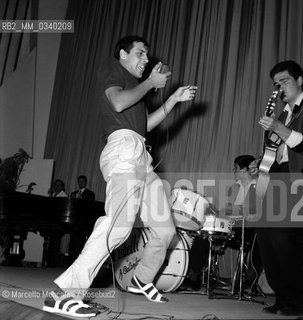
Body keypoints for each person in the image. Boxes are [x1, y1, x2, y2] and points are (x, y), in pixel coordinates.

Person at [43, 35, 197, 317]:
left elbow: (145, 126)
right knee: (118, 226)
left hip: (141, 154)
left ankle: (141, 279)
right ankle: (63, 293)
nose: (146, 59)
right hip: (124, 151)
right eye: (140, 53)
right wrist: (150, 83)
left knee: (165, 229)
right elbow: (116, 103)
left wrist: (174, 99)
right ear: (123, 55)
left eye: (147, 55)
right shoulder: (113, 68)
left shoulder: (136, 92)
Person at [256, 60, 303, 319]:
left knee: (283, 237)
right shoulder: (284, 113)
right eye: (276, 84)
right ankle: (285, 297)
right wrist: (259, 162)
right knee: (265, 236)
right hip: (278, 178)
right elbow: (276, 153)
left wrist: (278, 128)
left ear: (299, 81)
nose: (279, 87)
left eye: (284, 81)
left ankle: (301, 300)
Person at [182, 155, 259, 291]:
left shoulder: (258, 186)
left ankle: (247, 283)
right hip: (232, 228)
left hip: (249, 230)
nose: (233, 170)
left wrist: (236, 211)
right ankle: (192, 278)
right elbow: (228, 210)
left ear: (244, 169)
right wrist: (215, 211)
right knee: (203, 236)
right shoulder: (234, 188)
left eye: (235, 167)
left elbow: (254, 211)